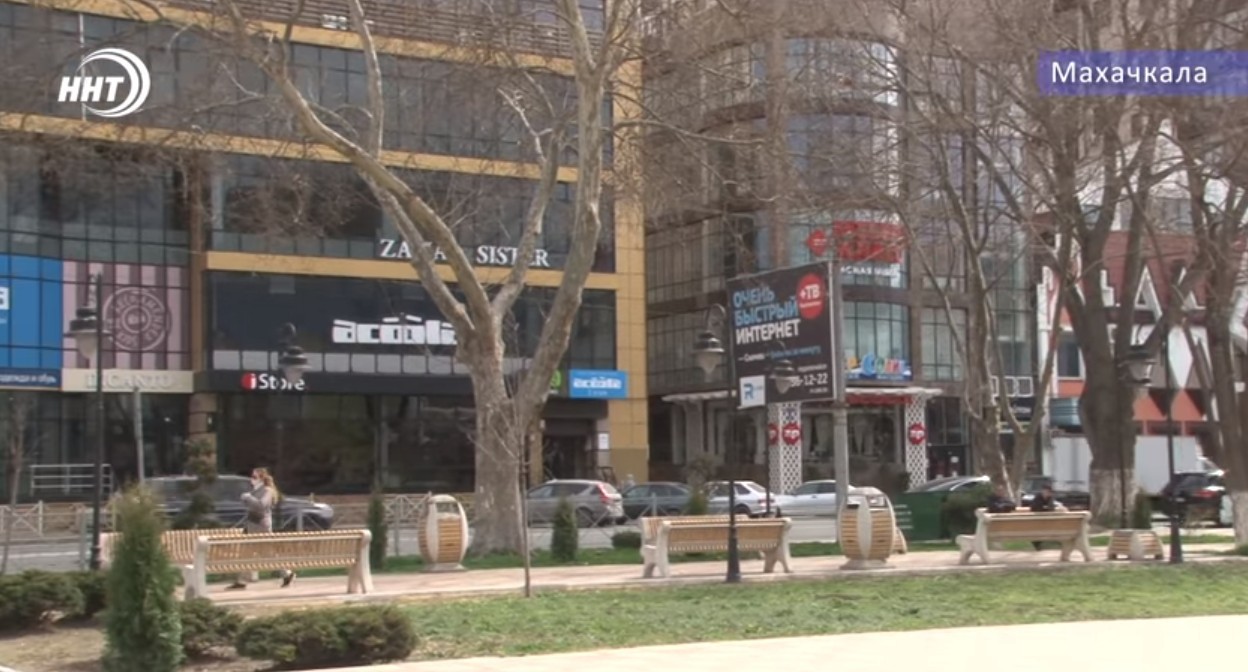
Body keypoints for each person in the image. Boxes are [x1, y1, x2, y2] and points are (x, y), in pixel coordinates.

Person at [227, 467, 295, 590]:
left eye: (255, 477)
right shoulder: (255, 490)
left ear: (262, 479)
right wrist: (247, 499)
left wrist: (248, 498)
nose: (251, 479)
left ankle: (287, 573)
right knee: (246, 554)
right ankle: (242, 580)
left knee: (267, 554)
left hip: (261, 526)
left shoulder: (268, 491)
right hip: (251, 525)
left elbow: (262, 506)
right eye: (251, 476)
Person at [1027, 484, 1066, 550]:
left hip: (1047, 519)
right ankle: (1038, 544)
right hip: (1037, 520)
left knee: (1056, 526)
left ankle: (1059, 541)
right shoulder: (1037, 498)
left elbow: (1051, 508)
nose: (1049, 493)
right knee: (1037, 530)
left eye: (1050, 492)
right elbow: (1036, 508)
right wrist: (1046, 508)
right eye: (1048, 492)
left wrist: (1049, 508)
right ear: (1043, 491)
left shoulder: (1050, 498)